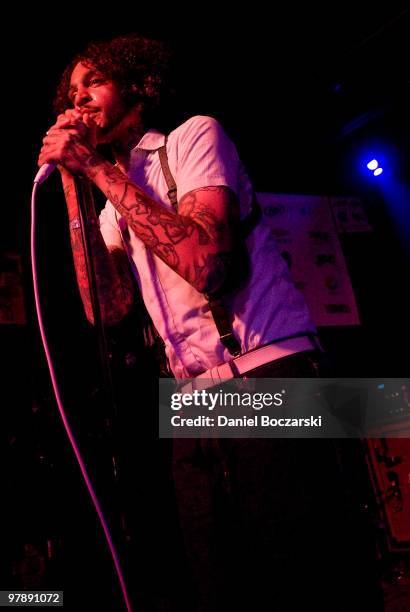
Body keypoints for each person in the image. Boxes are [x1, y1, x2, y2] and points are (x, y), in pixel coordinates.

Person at [38, 33, 384, 611]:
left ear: (136, 84)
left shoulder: (192, 136)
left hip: (271, 369)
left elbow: (208, 264)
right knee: (221, 581)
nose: (80, 101)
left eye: (93, 83)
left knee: (306, 578)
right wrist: (76, 189)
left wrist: (95, 169)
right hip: (192, 401)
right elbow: (107, 308)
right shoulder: (110, 198)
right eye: (71, 93)